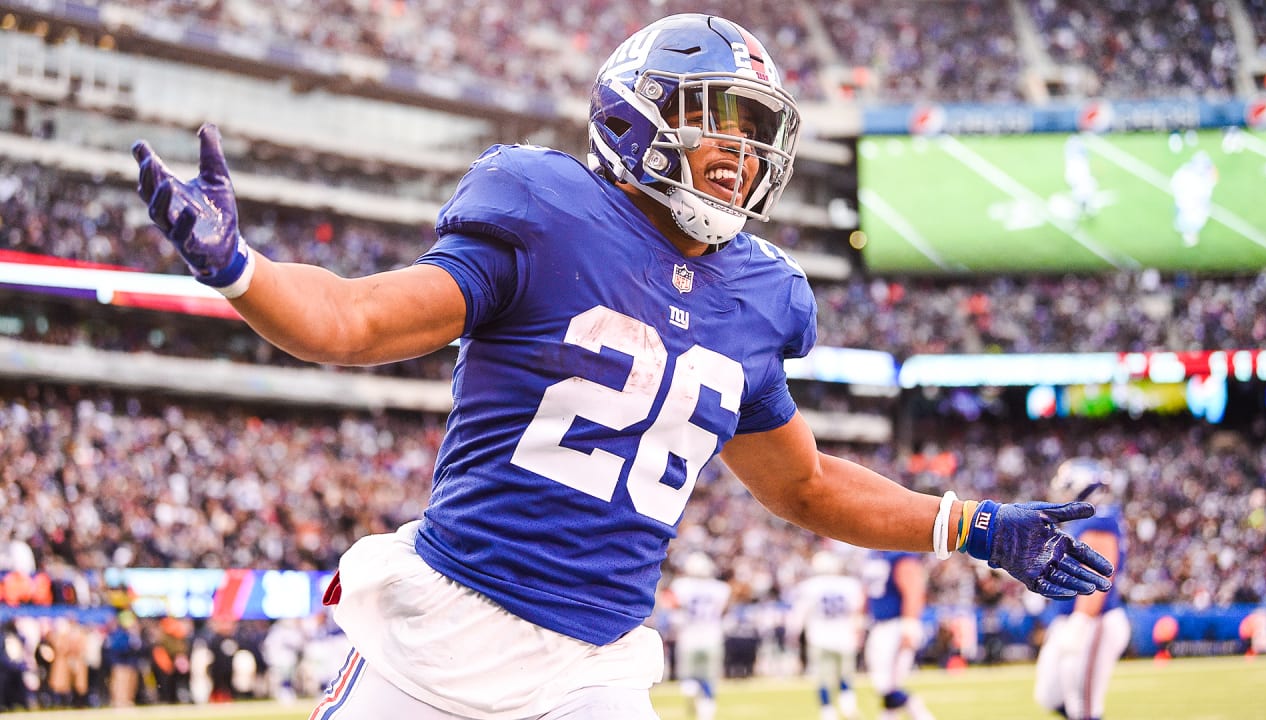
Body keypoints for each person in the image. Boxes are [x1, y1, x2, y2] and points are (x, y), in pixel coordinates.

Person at [130, 13, 1114, 719]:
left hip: (593, 667)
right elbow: (352, 320)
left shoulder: (756, 296)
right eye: (715, 116)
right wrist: (240, 269)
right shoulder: (546, 213)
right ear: (639, 115)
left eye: (752, 128)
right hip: (441, 636)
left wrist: (967, 525)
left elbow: (806, 487)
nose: (738, 150)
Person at [1033, 459, 1128, 720]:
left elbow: (1099, 571)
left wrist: (1081, 620)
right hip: (1068, 618)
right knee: (1049, 694)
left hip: (1094, 621)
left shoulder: (1100, 519)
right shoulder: (1082, 520)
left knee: (1083, 706)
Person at [785, 549, 865, 720]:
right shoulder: (850, 584)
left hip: (819, 637)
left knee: (822, 677)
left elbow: (798, 614)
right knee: (845, 674)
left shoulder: (809, 586)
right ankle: (848, 706)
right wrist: (859, 633)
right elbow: (858, 613)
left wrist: (792, 636)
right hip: (845, 636)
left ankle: (828, 711)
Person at [861, 551, 933, 720]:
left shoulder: (900, 555)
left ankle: (922, 714)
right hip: (879, 625)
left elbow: (914, 590)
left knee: (888, 685)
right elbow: (868, 592)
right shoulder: (873, 555)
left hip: (897, 624)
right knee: (883, 684)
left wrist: (909, 627)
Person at [664, 552, 731, 720]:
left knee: (688, 675)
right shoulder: (721, 588)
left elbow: (670, 607)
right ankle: (706, 710)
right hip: (712, 636)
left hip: (689, 637)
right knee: (708, 678)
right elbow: (723, 611)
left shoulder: (680, 585)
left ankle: (690, 688)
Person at [1170, 150, 1218, 247]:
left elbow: (1174, 184)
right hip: (1190, 207)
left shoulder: (1184, 172)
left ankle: (1187, 232)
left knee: (1185, 219)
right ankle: (1188, 234)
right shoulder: (1204, 180)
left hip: (1186, 205)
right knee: (1190, 221)